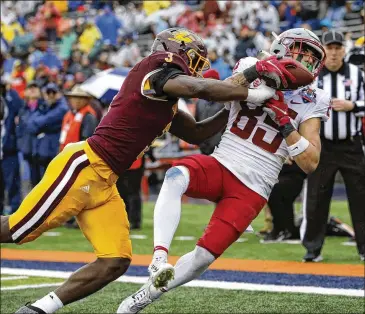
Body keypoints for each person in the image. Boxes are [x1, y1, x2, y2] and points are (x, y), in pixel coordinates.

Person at [1, 27, 296, 314]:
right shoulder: (155, 66)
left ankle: (39, 308)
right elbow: (198, 88)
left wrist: (237, 108)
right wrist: (249, 85)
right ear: (177, 51)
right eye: (194, 59)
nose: (196, 69)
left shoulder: (164, 102)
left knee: (115, 260)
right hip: (85, 167)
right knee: (18, 230)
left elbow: (196, 133)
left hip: (106, 182)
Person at [117, 28, 331, 313]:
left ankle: (145, 296)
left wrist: (284, 120)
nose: (304, 61)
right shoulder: (248, 67)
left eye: (311, 58)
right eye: (299, 52)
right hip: (223, 161)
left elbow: (310, 162)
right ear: (280, 48)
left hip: (255, 187)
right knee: (175, 176)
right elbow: (216, 94)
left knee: (203, 258)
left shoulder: (314, 98)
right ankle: (159, 256)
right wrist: (257, 70)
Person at [301, 30, 365, 262]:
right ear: (323, 51)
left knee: (360, 198)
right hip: (322, 146)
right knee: (316, 199)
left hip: (351, 145)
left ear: (344, 50)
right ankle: (312, 249)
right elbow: (301, 108)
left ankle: (363, 248)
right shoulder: (313, 77)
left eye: (338, 48)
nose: (335, 53)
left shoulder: (358, 74)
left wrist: (353, 105)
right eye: (330, 48)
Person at [195, 69, 224, 155]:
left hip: (221, 147)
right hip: (204, 146)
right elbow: (196, 122)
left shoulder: (225, 102)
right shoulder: (200, 102)